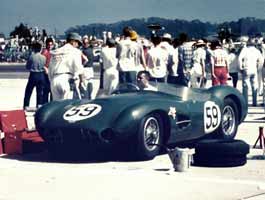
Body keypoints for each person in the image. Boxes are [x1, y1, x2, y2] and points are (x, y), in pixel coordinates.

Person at [48, 32, 85, 101]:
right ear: (73, 41)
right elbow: (78, 69)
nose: (77, 45)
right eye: (77, 43)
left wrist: (51, 80)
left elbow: (50, 69)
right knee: (66, 106)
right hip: (66, 79)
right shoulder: (75, 51)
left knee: (56, 105)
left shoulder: (57, 51)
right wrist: (81, 82)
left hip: (54, 79)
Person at [238, 39, 264, 106]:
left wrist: (240, 67)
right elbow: (261, 60)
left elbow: (239, 59)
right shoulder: (257, 51)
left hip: (247, 69)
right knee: (254, 86)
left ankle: (245, 102)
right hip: (254, 69)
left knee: (245, 86)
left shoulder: (245, 50)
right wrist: (258, 68)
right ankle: (254, 102)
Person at [23, 41, 46, 109]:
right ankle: (39, 104)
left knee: (28, 91)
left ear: (34, 49)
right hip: (41, 75)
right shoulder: (43, 57)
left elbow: (27, 66)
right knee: (39, 91)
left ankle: (26, 105)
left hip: (33, 74)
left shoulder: (32, 57)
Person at [81, 35, 96, 99]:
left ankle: (86, 98)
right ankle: (90, 97)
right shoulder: (91, 49)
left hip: (85, 68)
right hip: (90, 69)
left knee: (85, 86)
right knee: (90, 85)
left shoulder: (83, 51)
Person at [41, 37, 54, 103]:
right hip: (46, 74)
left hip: (52, 74)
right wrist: (45, 68)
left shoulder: (53, 52)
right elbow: (41, 63)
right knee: (46, 91)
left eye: (51, 45)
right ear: (46, 45)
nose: (49, 46)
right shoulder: (44, 52)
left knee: (52, 91)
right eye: (48, 45)